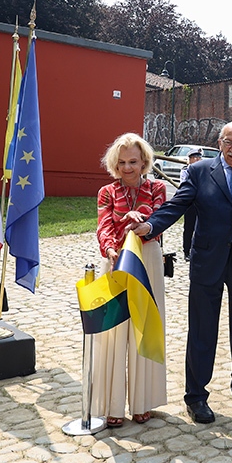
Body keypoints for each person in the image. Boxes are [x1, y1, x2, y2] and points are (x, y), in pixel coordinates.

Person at [132, 121, 232, 424]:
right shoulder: (200, 171)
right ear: (219, 142)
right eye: (228, 142)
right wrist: (149, 227)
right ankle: (196, 396)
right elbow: (178, 205)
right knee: (202, 330)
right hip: (207, 262)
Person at [94, 133, 167, 427]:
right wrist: (111, 248)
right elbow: (103, 225)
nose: (127, 168)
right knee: (113, 333)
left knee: (144, 327)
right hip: (115, 261)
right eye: (122, 162)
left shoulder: (158, 188)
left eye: (133, 161)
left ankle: (142, 401)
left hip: (147, 260)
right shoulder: (106, 192)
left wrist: (140, 219)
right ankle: (112, 404)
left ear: (144, 161)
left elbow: (158, 222)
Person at [181, 147, 203, 261]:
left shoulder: (203, 171)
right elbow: (185, 184)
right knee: (189, 228)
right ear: (189, 159)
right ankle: (186, 251)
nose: (197, 159)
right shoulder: (186, 170)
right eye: (194, 157)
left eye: (198, 157)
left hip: (201, 203)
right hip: (190, 203)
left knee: (201, 227)